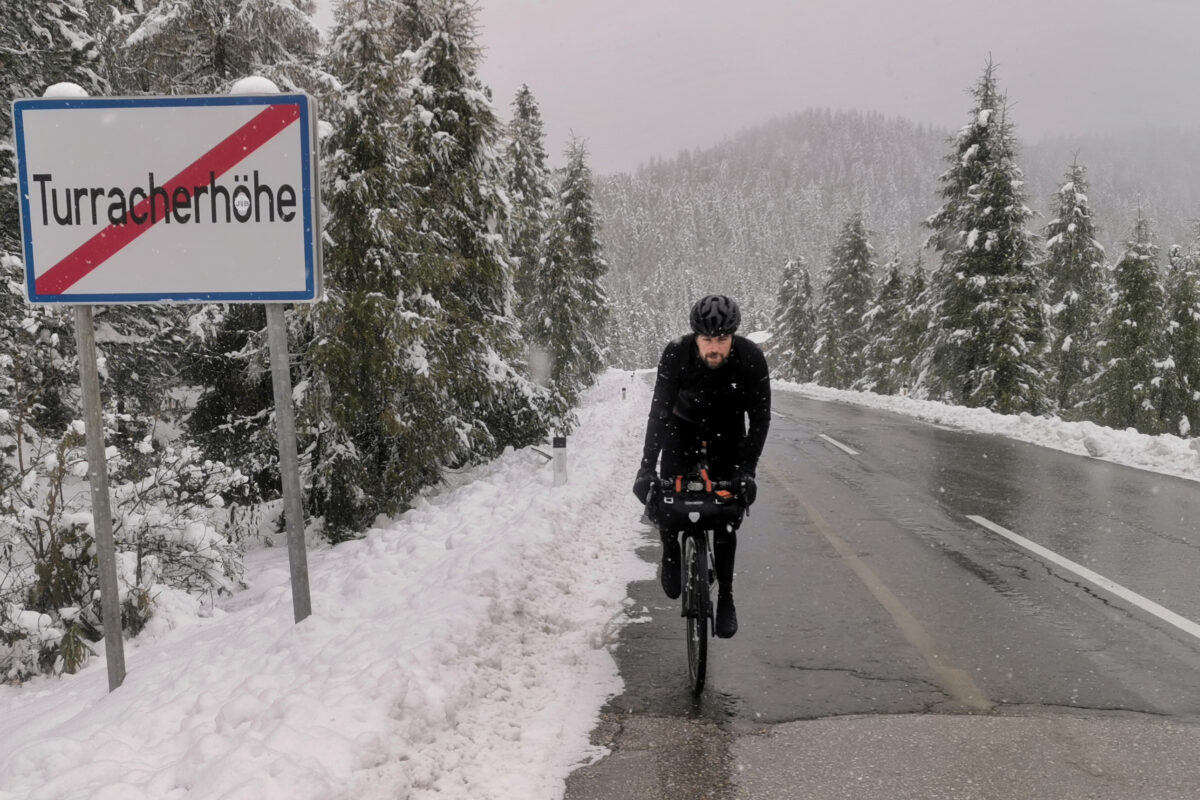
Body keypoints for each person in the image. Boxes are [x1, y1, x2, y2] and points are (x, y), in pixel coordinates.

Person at [632, 294, 771, 638]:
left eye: (721, 340)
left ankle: (725, 596)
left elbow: (760, 419)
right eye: (707, 340)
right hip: (682, 430)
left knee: (725, 515)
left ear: (733, 337)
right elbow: (659, 414)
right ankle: (670, 549)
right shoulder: (676, 353)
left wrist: (747, 472)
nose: (714, 348)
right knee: (666, 500)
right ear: (695, 337)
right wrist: (647, 467)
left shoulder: (750, 358)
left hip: (728, 436)